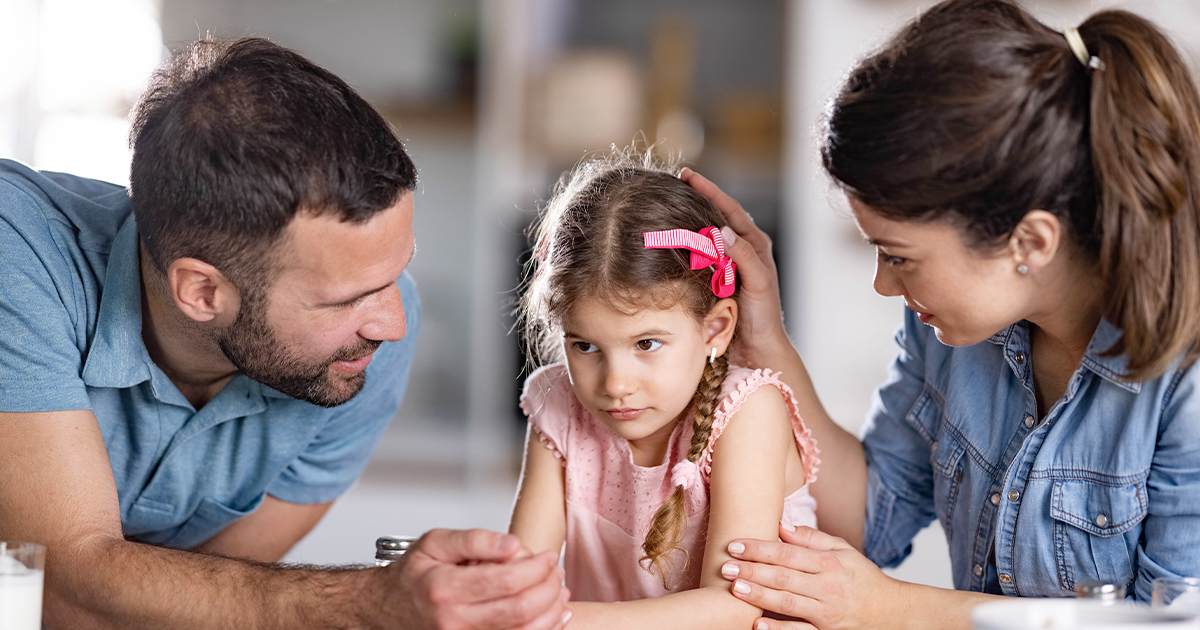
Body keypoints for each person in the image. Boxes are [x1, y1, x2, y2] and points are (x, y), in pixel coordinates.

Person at [0, 38, 568, 629]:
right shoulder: (17, 253)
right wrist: (366, 604)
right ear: (202, 292)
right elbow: (55, 591)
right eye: (345, 298)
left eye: (397, 275)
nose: (394, 325)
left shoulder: (362, 349)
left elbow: (188, 614)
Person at [681, 1, 1200, 628]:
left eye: (898, 256)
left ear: (1030, 244)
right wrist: (767, 345)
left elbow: (1169, 623)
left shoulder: (1185, 382)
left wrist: (896, 609)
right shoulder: (956, 331)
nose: (883, 285)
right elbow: (874, 514)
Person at [508, 152, 819, 629]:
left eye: (646, 344)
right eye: (586, 345)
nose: (615, 384)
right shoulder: (558, 404)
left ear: (715, 329)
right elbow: (521, 576)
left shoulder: (748, 411)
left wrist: (549, 621)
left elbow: (732, 608)